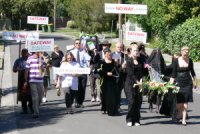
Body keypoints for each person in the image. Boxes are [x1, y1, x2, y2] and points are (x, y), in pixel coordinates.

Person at [170, 46, 196, 126]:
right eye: (185, 52)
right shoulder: (176, 60)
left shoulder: (190, 60)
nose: (186, 53)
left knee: (185, 102)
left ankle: (184, 119)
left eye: (188, 52)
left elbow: (192, 72)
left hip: (188, 83)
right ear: (181, 52)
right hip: (178, 82)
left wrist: (195, 83)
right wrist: (170, 84)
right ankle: (179, 113)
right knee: (179, 103)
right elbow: (173, 73)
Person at [124, 44, 143, 127]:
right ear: (131, 51)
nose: (136, 52)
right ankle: (129, 119)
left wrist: (141, 79)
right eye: (134, 50)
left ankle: (136, 119)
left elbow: (142, 72)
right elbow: (130, 74)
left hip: (139, 84)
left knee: (138, 102)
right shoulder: (128, 61)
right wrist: (137, 81)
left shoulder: (140, 60)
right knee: (131, 101)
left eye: (137, 50)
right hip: (130, 83)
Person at [24, 52, 46, 118]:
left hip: (40, 80)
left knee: (40, 96)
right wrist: (25, 81)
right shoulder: (30, 58)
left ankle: (35, 107)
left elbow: (44, 70)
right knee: (35, 97)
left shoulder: (42, 58)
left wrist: (41, 66)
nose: (40, 52)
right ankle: (36, 112)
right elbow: (26, 70)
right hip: (32, 80)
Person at [97, 48, 118, 116]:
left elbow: (117, 70)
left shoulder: (114, 62)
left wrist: (117, 63)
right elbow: (99, 70)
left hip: (112, 81)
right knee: (104, 95)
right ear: (105, 55)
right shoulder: (101, 61)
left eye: (111, 55)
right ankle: (104, 108)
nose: (110, 56)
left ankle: (111, 110)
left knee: (111, 95)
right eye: (108, 55)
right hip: (104, 80)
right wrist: (106, 73)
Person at [70, 39, 91, 108]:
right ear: (74, 44)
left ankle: (81, 102)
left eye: (79, 43)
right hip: (75, 71)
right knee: (76, 87)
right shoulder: (71, 52)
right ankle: (76, 101)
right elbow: (68, 60)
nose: (78, 44)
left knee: (83, 87)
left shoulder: (83, 52)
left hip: (83, 71)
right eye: (76, 43)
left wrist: (86, 52)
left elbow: (89, 58)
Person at [13, 48, 33, 114]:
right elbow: (14, 70)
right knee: (22, 93)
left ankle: (31, 105)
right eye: (24, 53)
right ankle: (24, 108)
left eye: (26, 53)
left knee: (31, 93)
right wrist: (17, 69)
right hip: (21, 79)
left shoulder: (30, 60)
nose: (25, 54)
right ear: (21, 53)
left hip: (30, 78)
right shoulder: (18, 60)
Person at [147, 48, 166, 112]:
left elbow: (165, 68)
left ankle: (157, 106)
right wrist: (147, 66)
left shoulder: (161, 60)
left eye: (159, 53)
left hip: (160, 79)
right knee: (153, 93)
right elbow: (145, 65)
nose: (158, 55)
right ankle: (151, 102)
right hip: (152, 79)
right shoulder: (150, 60)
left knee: (159, 93)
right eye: (156, 53)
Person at [112, 42, 126, 112]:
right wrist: (121, 66)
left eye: (120, 47)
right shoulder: (114, 55)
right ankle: (114, 106)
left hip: (122, 77)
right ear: (115, 47)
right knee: (114, 92)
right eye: (118, 47)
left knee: (119, 92)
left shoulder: (124, 55)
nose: (119, 49)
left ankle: (118, 106)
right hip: (115, 77)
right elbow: (116, 66)